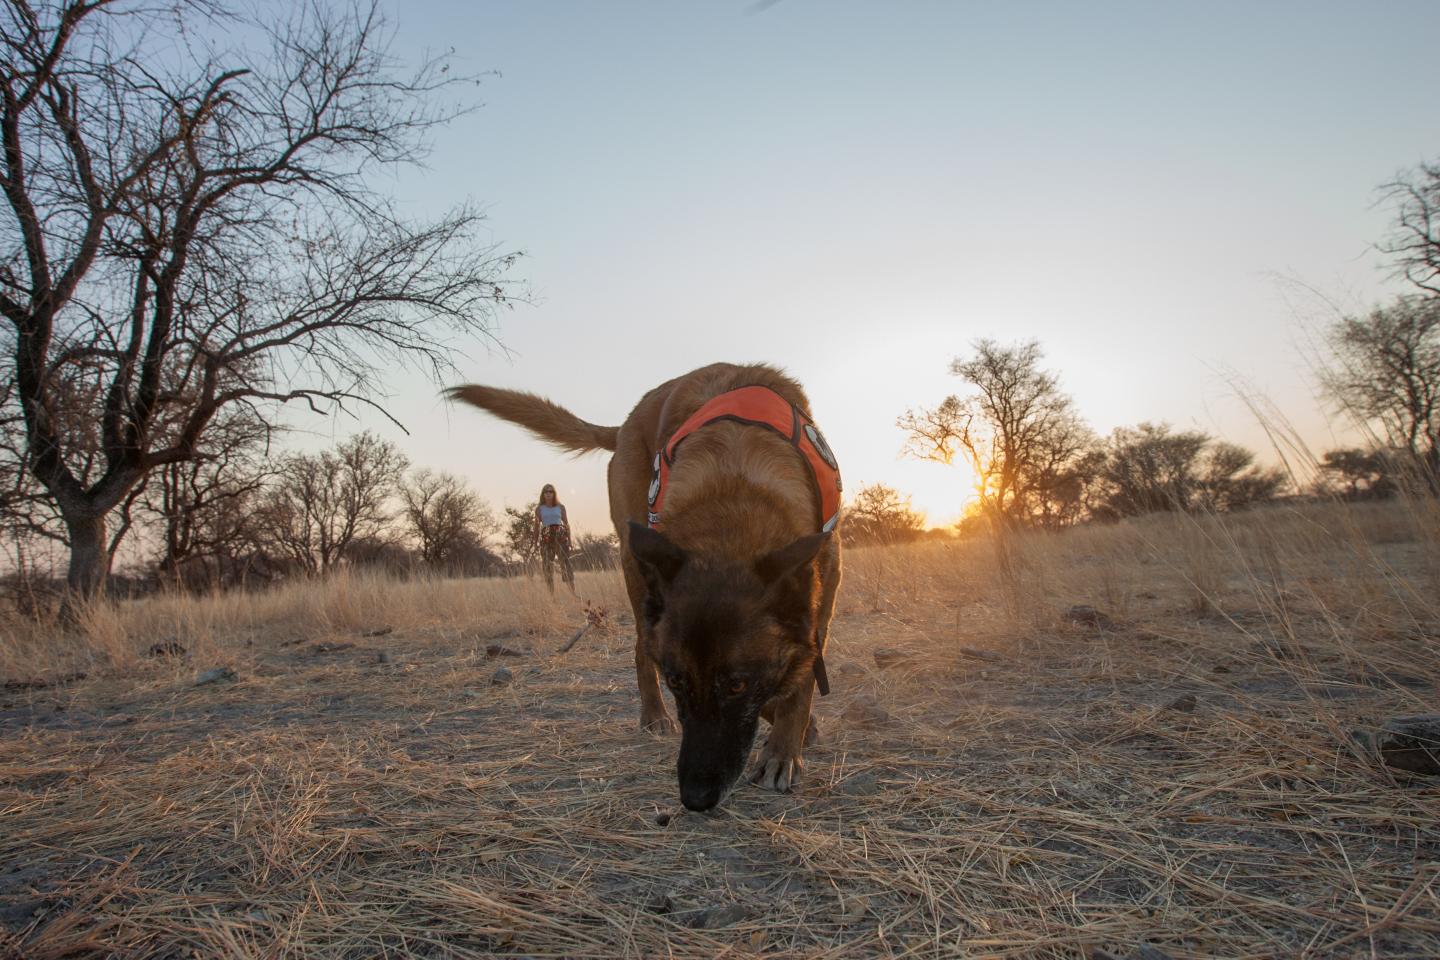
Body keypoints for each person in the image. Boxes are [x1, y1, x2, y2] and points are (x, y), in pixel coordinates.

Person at [533, 483, 575, 594]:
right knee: (547, 567)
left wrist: (570, 540)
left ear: (554, 493)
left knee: (566, 565)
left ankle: (573, 595)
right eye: (546, 491)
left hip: (560, 538)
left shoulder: (560, 507)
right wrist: (535, 543)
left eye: (551, 491)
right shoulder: (539, 509)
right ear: (543, 494)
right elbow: (536, 527)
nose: (548, 494)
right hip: (546, 539)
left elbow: (566, 524)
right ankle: (552, 597)